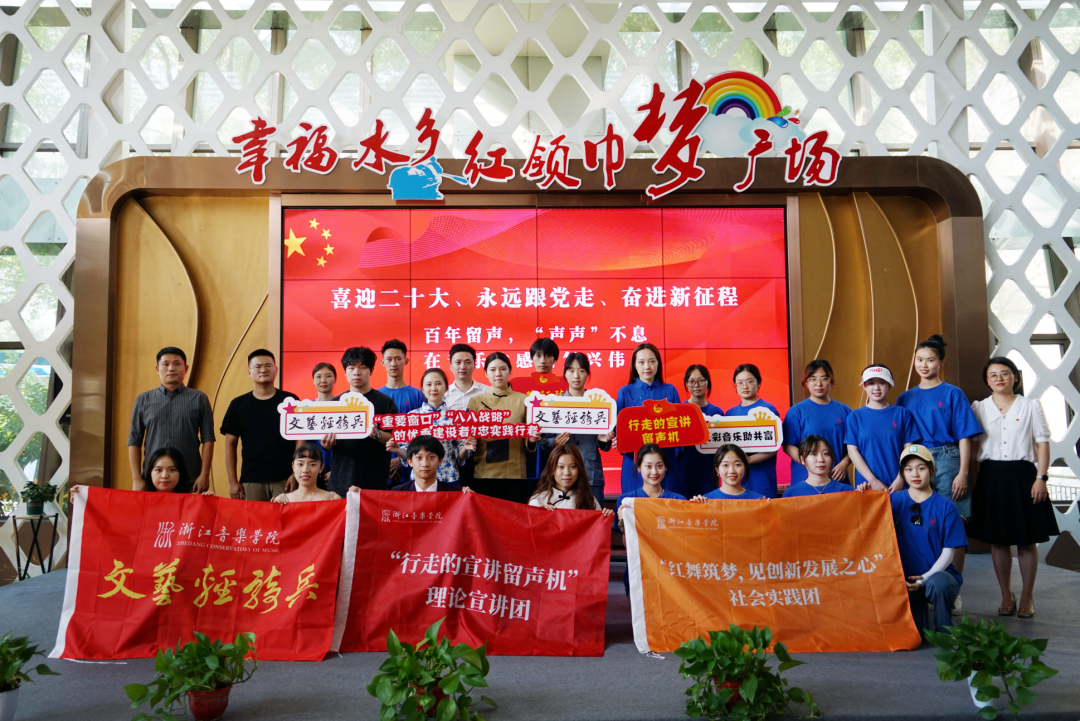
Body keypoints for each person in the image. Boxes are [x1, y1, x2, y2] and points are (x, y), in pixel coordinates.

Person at [897, 334, 983, 612]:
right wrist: (904, 470)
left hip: (948, 459)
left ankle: (952, 589)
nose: (924, 365)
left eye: (930, 360)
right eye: (919, 359)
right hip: (915, 460)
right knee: (918, 526)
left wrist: (963, 473)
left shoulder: (953, 393)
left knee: (953, 526)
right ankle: (921, 588)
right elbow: (905, 439)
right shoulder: (905, 397)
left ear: (941, 362)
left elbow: (964, 436)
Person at [969, 357, 1058, 619]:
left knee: (1026, 539)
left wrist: (1041, 478)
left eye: (1005, 373)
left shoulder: (1031, 405)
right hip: (991, 476)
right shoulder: (979, 408)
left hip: (1024, 476)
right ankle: (1006, 594)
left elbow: (1042, 444)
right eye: (993, 375)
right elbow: (973, 448)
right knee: (998, 540)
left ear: (1015, 377)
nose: (999, 378)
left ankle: (1027, 595)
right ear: (987, 381)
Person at [886, 445, 967, 636]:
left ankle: (944, 627)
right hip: (903, 579)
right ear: (902, 473)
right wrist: (863, 492)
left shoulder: (947, 507)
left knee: (941, 582)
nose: (915, 474)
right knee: (916, 635)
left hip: (935, 576)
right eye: (908, 469)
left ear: (932, 470)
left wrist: (925, 578)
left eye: (921, 468)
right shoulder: (891, 501)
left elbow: (949, 552)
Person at [127, 346, 215, 493]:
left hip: (190, 478)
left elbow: (208, 439)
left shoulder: (199, 399)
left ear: (186, 368)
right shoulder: (143, 400)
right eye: (166, 364)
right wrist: (136, 478)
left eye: (177, 364)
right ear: (157, 369)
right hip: (153, 480)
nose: (171, 368)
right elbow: (134, 441)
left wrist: (204, 475)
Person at [220, 350, 300, 501]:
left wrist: (296, 474)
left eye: (268, 365)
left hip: (285, 479)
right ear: (249, 372)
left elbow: (300, 439)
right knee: (253, 517)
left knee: (286, 516)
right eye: (257, 366)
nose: (263, 369)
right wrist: (232, 481)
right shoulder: (238, 405)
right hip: (251, 479)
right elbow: (230, 444)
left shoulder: (290, 400)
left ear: (276, 370)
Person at [540, 352, 613, 507]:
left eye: (581, 370)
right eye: (571, 370)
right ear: (565, 374)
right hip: (562, 476)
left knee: (594, 517)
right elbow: (544, 441)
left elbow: (605, 445)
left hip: (590, 473)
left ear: (587, 374)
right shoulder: (554, 403)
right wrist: (554, 442)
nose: (576, 375)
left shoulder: (599, 403)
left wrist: (603, 439)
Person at [323, 347, 398, 496]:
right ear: (345, 372)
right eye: (351, 368)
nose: (356, 372)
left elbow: (395, 438)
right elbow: (325, 442)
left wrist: (377, 434)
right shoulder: (334, 403)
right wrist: (326, 444)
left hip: (374, 479)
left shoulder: (385, 402)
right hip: (341, 479)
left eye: (362, 367)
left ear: (371, 371)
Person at [466, 352, 541, 503]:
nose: (498, 374)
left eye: (503, 369)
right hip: (485, 473)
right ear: (486, 373)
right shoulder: (475, 402)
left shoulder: (523, 400)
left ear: (510, 371)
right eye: (493, 369)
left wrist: (532, 439)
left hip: (514, 472)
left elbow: (529, 438)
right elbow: (469, 437)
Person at [386, 368, 474, 485]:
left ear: (446, 388)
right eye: (429, 384)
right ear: (422, 389)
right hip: (420, 480)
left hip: (449, 479)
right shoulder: (411, 417)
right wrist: (397, 450)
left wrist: (465, 448)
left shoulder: (457, 417)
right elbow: (407, 454)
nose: (433, 388)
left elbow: (460, 456)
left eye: (438, 384)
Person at [615, 343, 682, 494]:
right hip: (634, 464)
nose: (647, 366)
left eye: (652, 361)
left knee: (668, 505)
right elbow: (617, 431)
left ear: (658, 363)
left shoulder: (670, 390)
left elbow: (680, 430)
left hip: (666, 463)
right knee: (635, 505)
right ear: (634, 365)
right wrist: (616, 440)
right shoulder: (625, 392)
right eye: (641, 362)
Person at [844, 364, 921, 492]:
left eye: (882, 382)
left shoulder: (902, 414)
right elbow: (852, 452)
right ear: (864, 386)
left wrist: (901, 479)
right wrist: (872, 480)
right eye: (871, 383)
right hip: (867, 486)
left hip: (898, 484)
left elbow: (910, 451)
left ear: (889, 386)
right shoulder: (855, 417)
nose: (877, 388)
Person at [783, 360, 852, 487]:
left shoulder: (845, 411)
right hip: (805, 478)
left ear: (831, 381)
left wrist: (844, 464)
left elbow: (853, 445)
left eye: (824, 378)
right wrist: (811, 465)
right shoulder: (796, 411)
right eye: (813, 379)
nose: (818, 383)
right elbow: (788, 446)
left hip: (836, 478)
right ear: (806, 383)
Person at [725, 363, 781, 498]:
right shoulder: (729, 414)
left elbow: (774, 447)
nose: (744, 386)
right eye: (740, 382)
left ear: (759, 383)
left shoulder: (768, 410)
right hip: (736, 481)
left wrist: (749, 459)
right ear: (735, 386)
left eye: (749, 381)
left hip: (762, 480)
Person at [379, 340, 426, 483]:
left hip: (412, 464)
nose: (393, 363)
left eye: (398, 359)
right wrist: (385, 463)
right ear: (382, 362)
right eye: (389, 359)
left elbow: (423, 432)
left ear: (406, 361)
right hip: (382, 466)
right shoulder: (376, 397)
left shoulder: (417, 395)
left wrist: (402, 458)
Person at [676, 365, 724, 499]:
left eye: (701, 380)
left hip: (708, 471)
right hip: (683, 470)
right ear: (686, 384)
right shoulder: (678, 410)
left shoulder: (717, 412)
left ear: (708, 382)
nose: (696, 385)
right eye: (691, 381)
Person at [614, 444, 687, 532]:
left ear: (665, 467)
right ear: (639, 467)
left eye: (659, 466)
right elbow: (623, 535)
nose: (654, 472)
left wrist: (698, 505)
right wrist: (622, 521)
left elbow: (685, 532)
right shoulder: (626, 500)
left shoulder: (679, 500)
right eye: (648, 466)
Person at [530, 443, 612, 516]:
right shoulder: (538, 500)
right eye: (561, 467)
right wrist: (539, 516)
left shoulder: (589, 500)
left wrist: (606, 517)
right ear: (552, 470)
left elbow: (597, 527)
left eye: (573, 467)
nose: (567, 473)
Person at [386, 435, 474, 493]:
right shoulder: (397, 493)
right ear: (410, 462)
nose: (425, 464)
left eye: (431, 457)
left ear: (440, 460)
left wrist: (470, 497)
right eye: (419, 458)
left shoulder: (456, 493)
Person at [783, 436, 855, 496]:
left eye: (825, 454)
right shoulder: (791, 494)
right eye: (814, 454)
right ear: (802, 459)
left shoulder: (847, 491)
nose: (821, 460)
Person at [692, 444, 767, 501]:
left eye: (737, 465)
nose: (732, 471)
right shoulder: (705, 500)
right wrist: (694, 506)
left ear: (745, 468)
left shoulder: (758, 500)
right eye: (725, 465)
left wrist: (769, 508)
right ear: (717, 470)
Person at [272, 444, 339, 504]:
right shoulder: (282, 500)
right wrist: (274, 508)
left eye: (312, 464)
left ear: (321, 468)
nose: (305, 470)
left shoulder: (333, 499)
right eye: (300, 464)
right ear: (293, 466)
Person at [445, 344, 489, 411]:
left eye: (468, 362)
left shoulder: (487, 392)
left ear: (474, 366)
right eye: (458, 362)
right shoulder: (444, 394)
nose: (462, 367)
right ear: (451, 366)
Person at [312, 362, 337, 478]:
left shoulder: (344, 407)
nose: (323, 380)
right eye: (318, 376)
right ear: (313, 381)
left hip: (338, 464)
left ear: (335, 379)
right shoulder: (305, 408)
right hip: (312, 467)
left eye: (328, 376)